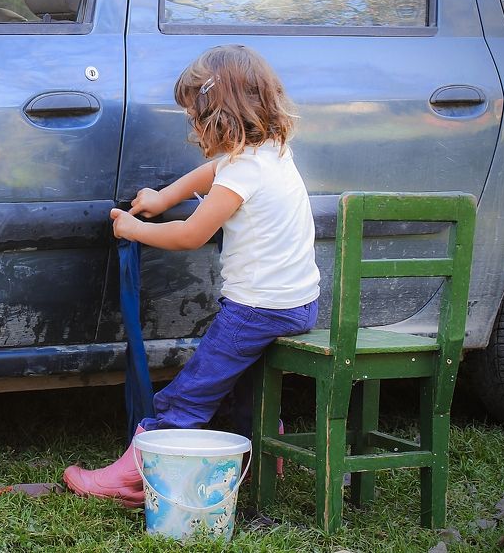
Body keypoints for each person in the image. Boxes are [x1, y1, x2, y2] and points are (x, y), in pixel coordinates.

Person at [63, 44, 321, 507]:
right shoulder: (273, 151)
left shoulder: (243, 171)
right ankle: (259, 450)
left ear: (218, 116)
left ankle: (133, 474)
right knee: (237, 382)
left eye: (194, 118)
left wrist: (137, 227)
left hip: (256, 309)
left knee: (194, 389)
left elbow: (191, 235)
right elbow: (210, 172)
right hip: (296, 304)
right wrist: (162, 198)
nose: (192, 128)